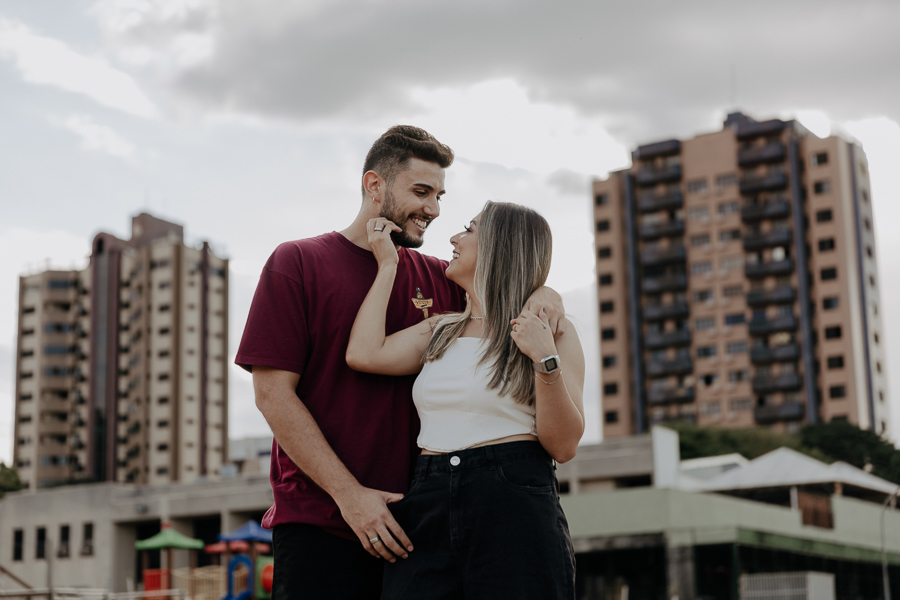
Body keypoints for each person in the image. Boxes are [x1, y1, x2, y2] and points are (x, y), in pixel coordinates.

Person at [235, 126, 565, 600]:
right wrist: (350, 497)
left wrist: (546, 294)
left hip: (422, 533)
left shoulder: (443, 275)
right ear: (374, 185)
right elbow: (271, 396)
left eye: (439, 196)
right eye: (421, 191)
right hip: (322, 524)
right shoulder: (297, 263)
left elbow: (509, 282)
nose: (433, 208)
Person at [346, 200, 585, 599]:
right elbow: (363, 354)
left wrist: (544, 359)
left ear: (500, 246)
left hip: (513, 499)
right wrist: (388, 265)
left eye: (469, 230)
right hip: (429, 495)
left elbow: (563, 444)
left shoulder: (551, 331)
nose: (454, 238)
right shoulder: (441, 328)